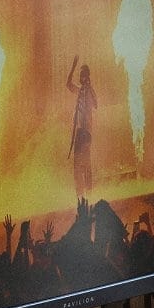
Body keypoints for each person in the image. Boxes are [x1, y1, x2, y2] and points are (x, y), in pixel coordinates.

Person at [66, 55, 97, 200]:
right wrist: (72, 67)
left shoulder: (88, 91)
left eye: (82, 74)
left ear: (86, 76)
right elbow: (68, 84)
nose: (80, 77)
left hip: (86, 132)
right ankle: (80, 195)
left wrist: (88, 87)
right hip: (80, 132)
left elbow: (95, 104)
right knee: (77, 165)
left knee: (86, 164)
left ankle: (89, 193)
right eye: (80, 74)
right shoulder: (80, 91)